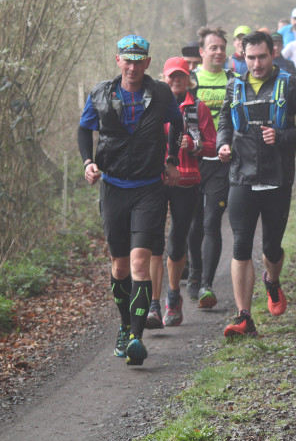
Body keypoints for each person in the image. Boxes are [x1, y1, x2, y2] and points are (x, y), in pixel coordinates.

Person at [78, 35, 183, 366]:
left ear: (148, 63)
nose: (133, 66)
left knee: (140, 262)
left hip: (149, 187)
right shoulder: (100, 94)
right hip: (113, 187)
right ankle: (125, 325)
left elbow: (177, 124)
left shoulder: (161, 93)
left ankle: (137, 337)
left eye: (139, 60)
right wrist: (88, 163)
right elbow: (84, 130)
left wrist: (171, 160)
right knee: (120, 266)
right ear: (118, 61)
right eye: (128, 59)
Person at [216, 30, 296, 337]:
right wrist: (223, 144)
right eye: (251, 58)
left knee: (272, 248)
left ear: (272, 54)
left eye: (262, 57)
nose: (257, 63)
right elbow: (224, 121)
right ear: (243, 57)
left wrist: (283, 136)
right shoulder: (234, 85)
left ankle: (272, 281)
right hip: (241, 176)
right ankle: (244, 317)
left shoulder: (291, 85)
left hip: (277, 177)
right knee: (240, 245)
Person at [147, 57, 217, 328]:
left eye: (181, 76)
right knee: (154, 242)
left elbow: (212, 146)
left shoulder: (198, 107)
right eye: (171, 76)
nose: (176, 81)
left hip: (187, 181)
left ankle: (173, 296)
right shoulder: (152, 105)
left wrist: (195, 145)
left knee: (177, 241)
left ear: (189, 79)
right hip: (154, 180)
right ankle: (154, 305)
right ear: (163, 78)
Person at [186, 27, 237, 308]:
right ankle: (194, 273)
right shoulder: (190, 81)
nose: (218, 52)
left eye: (222, 47)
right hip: (193, 161)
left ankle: (206, 284)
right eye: (213, 48)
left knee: (212, 222)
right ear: (202, 52)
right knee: (193, 224)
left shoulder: (234, 80)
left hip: (222, 161)